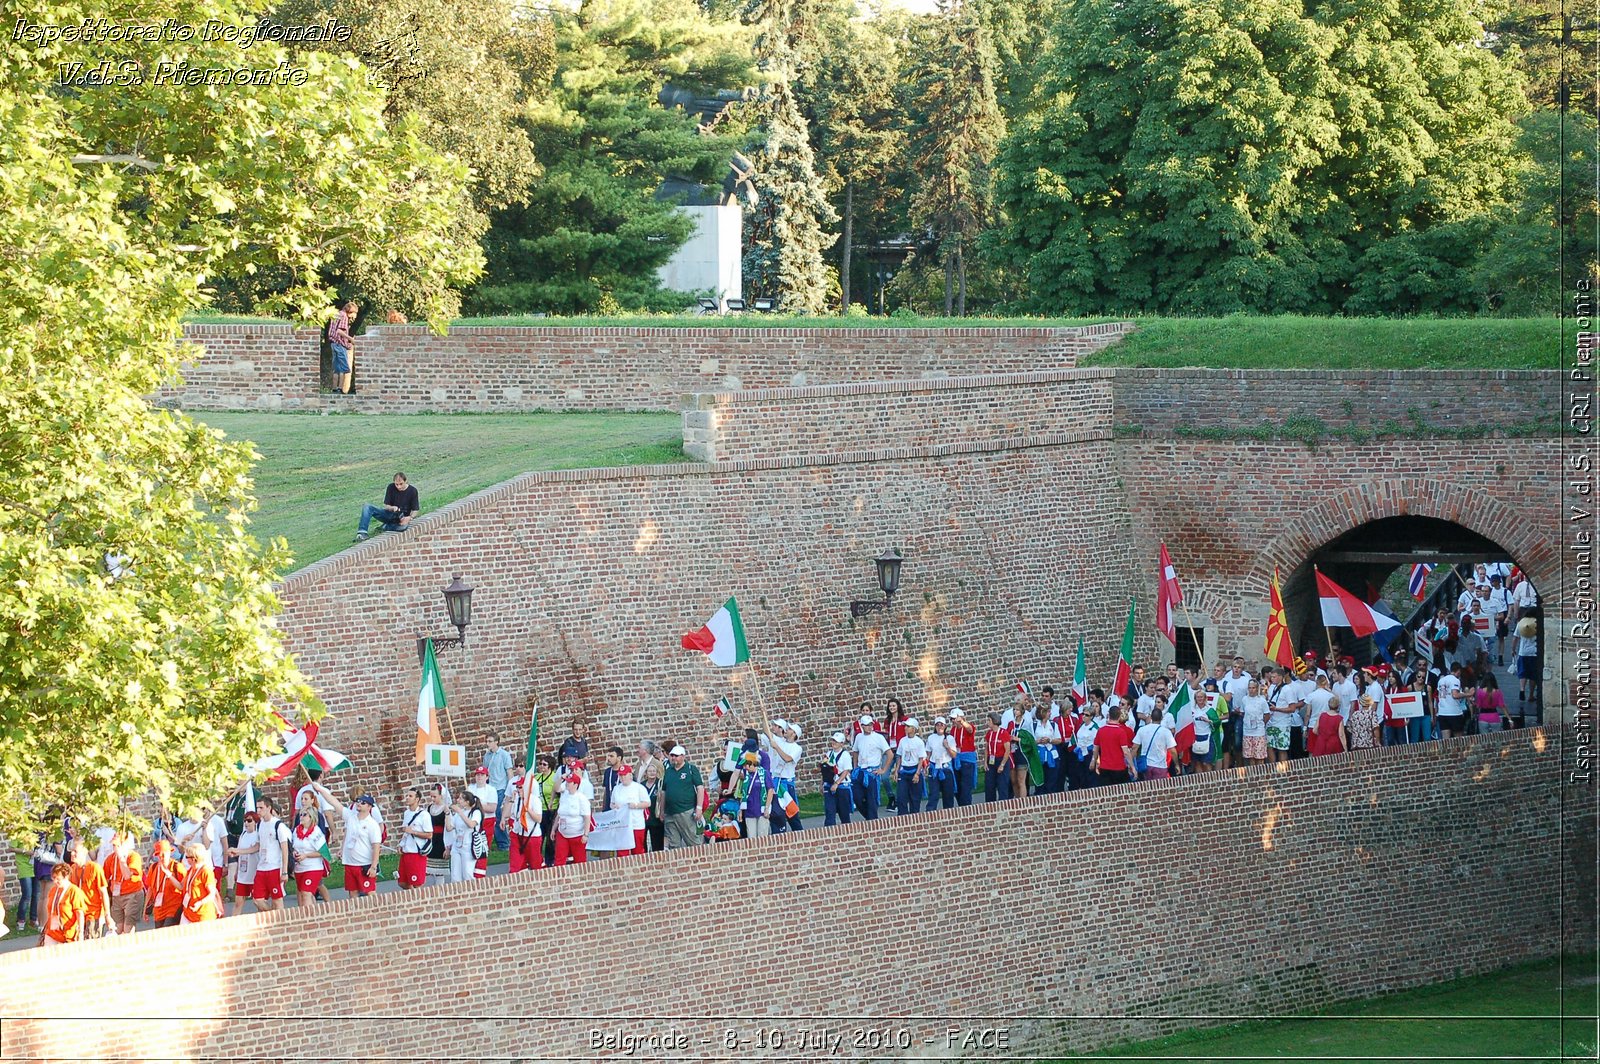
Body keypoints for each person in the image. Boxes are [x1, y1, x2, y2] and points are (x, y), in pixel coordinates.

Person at [317, 785, 382, 897]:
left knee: (369, 891)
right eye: (358, 801)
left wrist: (373, 866)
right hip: (350, 863)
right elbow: (335, 803)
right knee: (352, 891)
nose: (359, 804)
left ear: (369, 807)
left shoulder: (372, 824)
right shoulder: (351, 816)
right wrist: (320, 790)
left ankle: (377, 911)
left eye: (363, 803)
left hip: (364, 863)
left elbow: (376, 847)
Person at [658, 745, 705, 849]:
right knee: (673, 843)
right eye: (672, 755)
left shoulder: (691, 769)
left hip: (686, 811)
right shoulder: (668, 771)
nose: (673, 758)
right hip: (670, 812)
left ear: (683, 756)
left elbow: (700, 788)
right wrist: (662, 811)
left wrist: (699, 808)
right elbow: (664, 792)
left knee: (693, 841)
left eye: (676, 756)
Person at [504, 757, 546, 873]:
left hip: (532, 834)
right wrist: (512, 800)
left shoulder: (533, 800)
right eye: (517, 787)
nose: (518, 789)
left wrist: (528, 810)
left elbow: (539, 819)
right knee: (517, 865)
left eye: (520, 787)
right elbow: (508, 814)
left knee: (535, 864)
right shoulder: (516, 798)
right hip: (519, 833)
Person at [353, 472, 420, 542]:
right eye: (396, 484)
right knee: (367, 507)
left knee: (403, 528)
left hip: (402, 518)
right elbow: (386, 506)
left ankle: (386, 526)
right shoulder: (391, 487)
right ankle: (362, 533)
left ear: (405, 481)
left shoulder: (413, 491)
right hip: (390, 514)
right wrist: (392, 508)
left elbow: (415, 510)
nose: (398, 487)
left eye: (401, 484)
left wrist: (409, 518)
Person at [102, 831, 144, 935]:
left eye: (117, 845)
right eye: (113, 845)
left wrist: (121, 858)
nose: (114, 847)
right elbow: (104, 879)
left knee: (127, 929)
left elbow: (127, 875)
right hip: (117, 896)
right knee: (117, 928)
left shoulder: (133, 857)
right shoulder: (110, 859)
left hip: (132, 894)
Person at [37, 862, 88, 947]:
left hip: (67, 935)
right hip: (52, 933)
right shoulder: (53, 890)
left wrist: (81, 932)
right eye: (54, 878)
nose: (55, 881)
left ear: (66, 877)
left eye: (58, 879)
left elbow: (79, 913)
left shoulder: (74, 891)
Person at [851, 715, 891, 819]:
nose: (869, 727)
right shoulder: (859, 737)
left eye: (871, 725)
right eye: (867, 725)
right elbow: (855, 752)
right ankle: (869, 818)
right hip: (861, 771)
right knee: (857, 797)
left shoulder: (878, 737)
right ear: (862, 726)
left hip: (873, 772)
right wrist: (855, 767)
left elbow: (889, 754)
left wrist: (883, 769)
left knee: (872, 801)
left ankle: (872, 821)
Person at [67, 840, 110, 939]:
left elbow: (103, 893)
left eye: (75, 851)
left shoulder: (94, 868)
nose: (72, 854)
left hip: (93, 914)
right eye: (72, 851)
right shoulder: (72, 869)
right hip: (79, 915)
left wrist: (107, 915)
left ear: (84, 852)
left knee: (90, 944)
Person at [610, 764, 651, 855]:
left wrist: (636, 805)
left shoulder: (638, 787)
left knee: (637, 850)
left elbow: (647, 803)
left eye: (624, 775)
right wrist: (614, 806)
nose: (622, 777)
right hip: (622, 825)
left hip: (636, 823)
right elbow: (611, 804)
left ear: (630, 775)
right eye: (620, 775)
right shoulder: (616, 789)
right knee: (622, 851)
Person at [396, 788, 433, 889]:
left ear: (417, 799)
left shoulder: (424, 815)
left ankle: (420, 901)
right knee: (403, 882)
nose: (407, 798)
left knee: (417, 882)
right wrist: (401, 844)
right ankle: (413, 898)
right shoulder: (407, 813)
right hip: (406, 851)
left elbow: (429, 835)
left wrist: (413, 832)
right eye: (407, 796)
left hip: (417, 852)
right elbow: (406, 832)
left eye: (410, 796)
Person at [734, 752, 777, 838]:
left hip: (761, 810)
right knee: (751, 837)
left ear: (752, 763)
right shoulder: (745, 776)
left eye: (746, 765)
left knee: (762, 837)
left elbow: (770, 790)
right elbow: (742, 794)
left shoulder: (764, 773)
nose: (744, 767)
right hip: (749, 811)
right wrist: (741, 811)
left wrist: (767, 808)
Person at [482, 735, 514, 850]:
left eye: (490, 741)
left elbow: (509, 772)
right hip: (491, 788)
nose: (488, 743)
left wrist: (510, 789)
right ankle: (496, 840)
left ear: (496, 742)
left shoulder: (504, 755)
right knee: (492, 815)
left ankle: (504, 842)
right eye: (487, 741)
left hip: (501, 788)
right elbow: (485, 772)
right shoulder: (487, 756)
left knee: (498, 814)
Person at [142, 839, 184, 927]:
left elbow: (183, 887)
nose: (161, 857)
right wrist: (145, 909)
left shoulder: (177, 867)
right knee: (161, 937)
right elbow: (150, 889)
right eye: (158, 855)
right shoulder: (153, 868)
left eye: (163, 854)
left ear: (169, 853)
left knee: (168, 933)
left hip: (173, 907)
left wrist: (169, 875)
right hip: (159, 910)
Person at [890, 717, 927, 815]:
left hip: (914, 769)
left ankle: (914, 818)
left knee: (915, 798)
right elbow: (899, 756)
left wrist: (917, 773)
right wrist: (897, 771)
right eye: (905, 726)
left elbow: (920, 759)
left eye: (908, 726)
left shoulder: (919, 742)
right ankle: (903, 817)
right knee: (901, 797)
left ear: (913, 729)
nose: (905, 728)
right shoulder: (903, 740)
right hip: (904, 771)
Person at [554, 771, 592, 865]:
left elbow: (587, 817)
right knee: (559, 859)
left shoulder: (581, 798)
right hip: (562, 832)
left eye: (569, 782)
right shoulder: (564, 795)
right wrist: (553, 828)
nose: (567, 784)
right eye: (566, 781)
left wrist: (585, 834)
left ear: (575, 784)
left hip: (577, 834)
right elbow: (556, 789)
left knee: (579, 860)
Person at [225, 812, 260, 915]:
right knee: (238, 902)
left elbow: (253, 849)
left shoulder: (257, 835)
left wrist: (237, 851)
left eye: (249, 821)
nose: (246, 823)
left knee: (258, 902)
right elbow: (239, 852)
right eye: (245, 821)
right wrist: (234, 855)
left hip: (254, 873)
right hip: (243, 873)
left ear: (255, 822)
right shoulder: (243, 835)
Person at [1091, 706, 1136, 786]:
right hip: (1119, 768)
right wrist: (1132, 766)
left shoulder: (1101, 731)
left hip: (1104, 767)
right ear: (1119, 716)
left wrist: (1094, 761)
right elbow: (1125, 752)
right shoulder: (1121, 732)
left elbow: (1095, 749)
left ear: (1109, 715)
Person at [180, 842, 222, 924]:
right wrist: (169, 875)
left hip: (203, 915)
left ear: (193, 859)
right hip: (188, 914)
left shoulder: (206, 871)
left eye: (187, 857)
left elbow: (212, 894)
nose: (186, 859)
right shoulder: (191, 870)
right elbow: (181, 886)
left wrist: (200, 903)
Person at [821, 731, 854, 826]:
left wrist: (837, 783)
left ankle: (847, 832)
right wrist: (822, 783)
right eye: (833, 740)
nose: (834, 743)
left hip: (842, 786)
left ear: (841, 743)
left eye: (836, 741)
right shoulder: (829, 754)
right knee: (829, 812)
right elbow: (825, 770)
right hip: (829, 785)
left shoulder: (845, 755)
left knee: (844, 814)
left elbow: (846, 770)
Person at [925, 717, 958, 809]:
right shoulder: (931, 738)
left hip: (946, 767)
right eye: (938, 725)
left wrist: (947, 747)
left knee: (948, 794)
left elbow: (954, 755)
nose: (940, 727)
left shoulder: (949, 738)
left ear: (945, 726)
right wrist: (926, 765)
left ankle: (948, 815)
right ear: (935, 726)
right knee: (933, 794)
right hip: (934, 767)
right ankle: (930, 814)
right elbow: (928, 753)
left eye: (942, 725)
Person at [1134, 707, 1176, 780]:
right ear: (1162, 718)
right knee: (1160, 788)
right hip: (1160, 765)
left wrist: (1132, 765)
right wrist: (1177, 764)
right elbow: (1172, 750)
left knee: (1147, 787)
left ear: (1151, 717)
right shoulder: (1166, 732)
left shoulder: (1142, 729)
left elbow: (1134, 748)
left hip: (1146, 765)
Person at [466, 766, 499, 853]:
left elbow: (492, 808)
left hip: (487, 820)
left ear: (487, 777)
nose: (479, 777)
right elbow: (466, 805)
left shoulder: (491, 790)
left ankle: (482, 866)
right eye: (477, 775)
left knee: (483, 847)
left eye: (482, 774)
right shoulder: (470, 788)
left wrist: (476, 804)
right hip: (473, 820)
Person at [983, 712, 1014, 803]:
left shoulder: (1003, 733)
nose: (987, 722)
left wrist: (1002, 764)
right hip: (991, 760)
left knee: (1002, 784)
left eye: (989, 720)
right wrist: (985, 762)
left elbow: (1007, 750)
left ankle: (1003, 804)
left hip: (1001, 760)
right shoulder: (989, 733)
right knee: (989, 784)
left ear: (994, 721)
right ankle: (990, 806)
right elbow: (986, 748)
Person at [950, 708, 978, 805]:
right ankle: (961, 805)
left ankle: (967, 807)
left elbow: (970, 729)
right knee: (957, 785)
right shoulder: (953, 730)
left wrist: (962, 721)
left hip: (967, 760)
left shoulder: (967, 727)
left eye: (954, 719)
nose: (953, 721)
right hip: (957, 759)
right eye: (951, 719)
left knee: (966, 785)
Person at [329, 299, 357, 394]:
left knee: (336, 369)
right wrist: (350, 339)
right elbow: (339, 331)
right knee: (344, 369)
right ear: (350, 311)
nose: (354, 316)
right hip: (339, 344)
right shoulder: (344, 316)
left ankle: (334, 389)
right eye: (354, 313)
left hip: (333, 343)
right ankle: (340, 389)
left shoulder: (337, 314)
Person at [1239, 680, 1270, 766]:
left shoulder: (1262, 700)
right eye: (1249, 688)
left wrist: (1262, 723)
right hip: (1247, 731)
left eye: (1253, 688)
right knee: (1250, 756)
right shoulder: (1244, 699)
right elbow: (1242, 712)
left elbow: (1267, 714)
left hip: (1259, 732)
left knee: (1259, 756)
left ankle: (1260, 775)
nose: (1251, 690)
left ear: (1257, 689)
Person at [1436, 663, 1467, 739]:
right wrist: (1468, 694)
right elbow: (1455, 695)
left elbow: (1441, 695)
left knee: (1445, 740)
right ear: (1458, 671)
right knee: (1458, 739)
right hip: (1454, 712)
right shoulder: (1455, 680)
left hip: (1443, 712)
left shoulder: (1441, 680)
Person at [642, 761, 666, 852]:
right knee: (643, 844)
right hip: (644, 818)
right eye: (649, 771)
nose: (652, 773)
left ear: (657, 772)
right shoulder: (641, 785)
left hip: (656, 818)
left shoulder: (660, 784)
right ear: (646, 773)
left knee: (657, 844)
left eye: (654, 771)